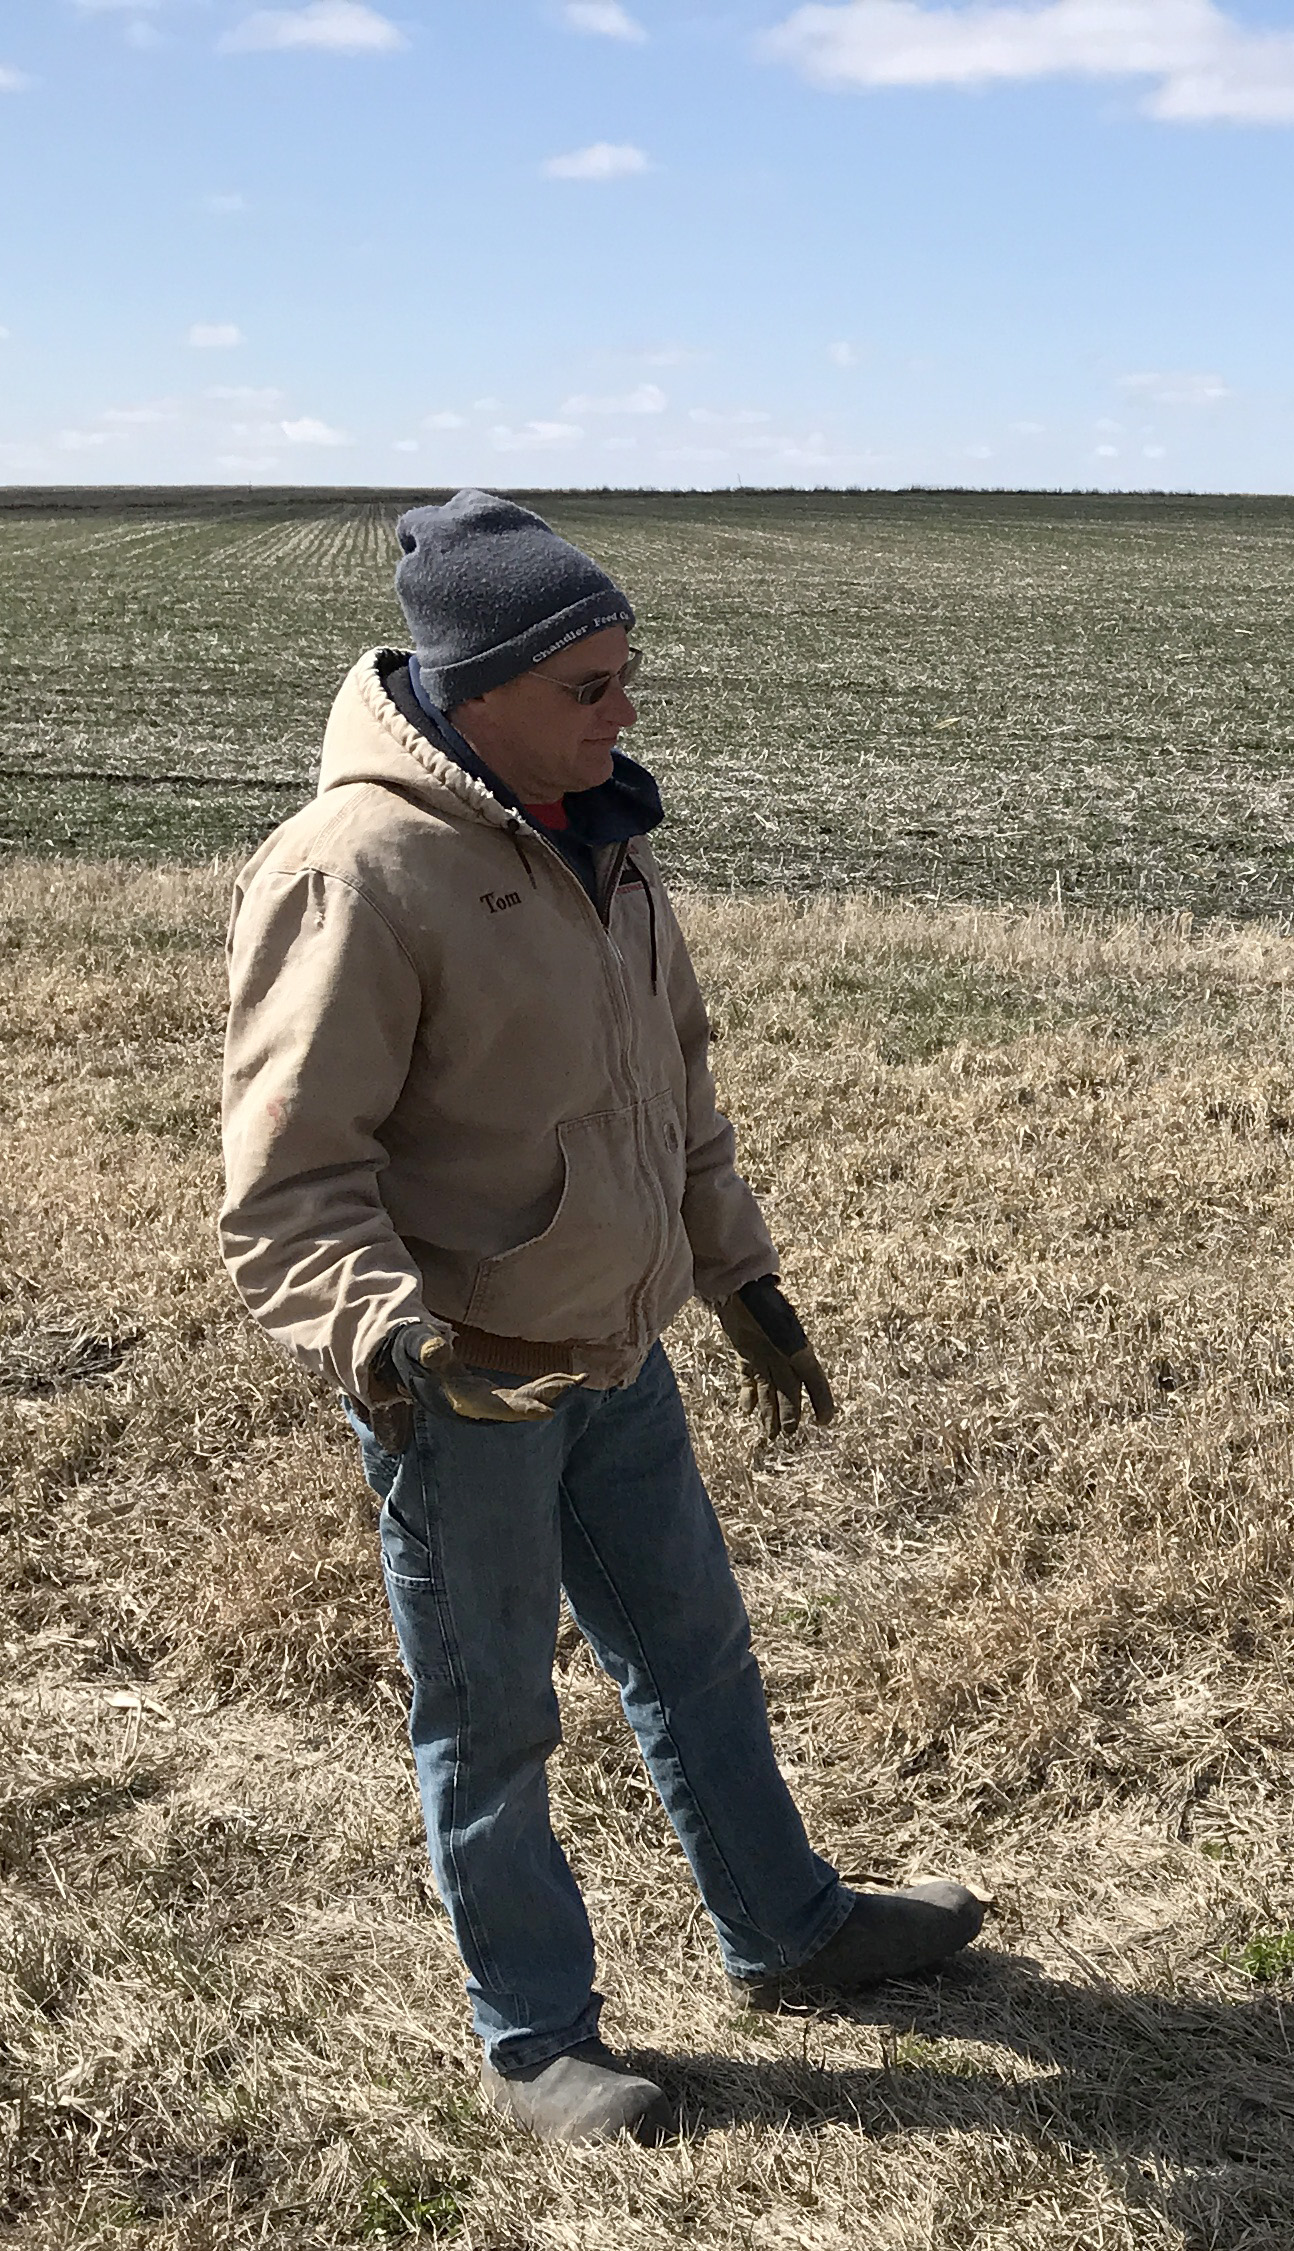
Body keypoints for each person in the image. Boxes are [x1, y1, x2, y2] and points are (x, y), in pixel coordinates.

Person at [218, 490, 985, 2142]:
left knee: (700, 1658)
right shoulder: (358, 874)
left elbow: (674, 1091)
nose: (625, 712)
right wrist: (393, 1345)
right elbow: (291, 1179)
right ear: (475, 687)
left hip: (616, 1361)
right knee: (492, 1722)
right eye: (591, 685)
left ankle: (791, 1929)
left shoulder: (602, 841)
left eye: (628, 675)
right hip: (465, 1391)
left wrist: (742, 1277)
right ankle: (532, 2043)